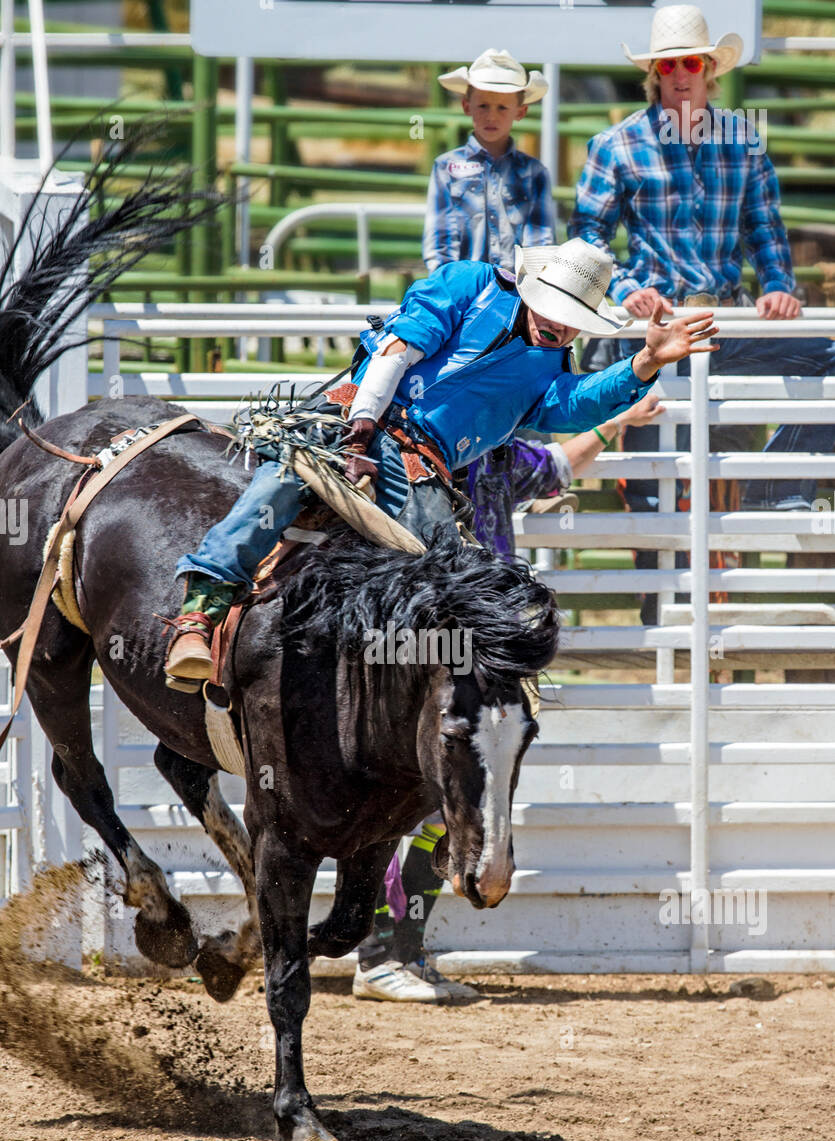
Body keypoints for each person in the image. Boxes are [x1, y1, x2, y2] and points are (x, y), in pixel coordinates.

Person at [164, 240, 713, 686]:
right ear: (532, 290)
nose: (563, 329)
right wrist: (361, 431)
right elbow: (399, 348)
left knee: (436, 561)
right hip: (359, 414)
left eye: (575, 322)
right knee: (282, 482)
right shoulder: (468, 284)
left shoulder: (550, 363)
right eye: (559, 312)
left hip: (425, 461)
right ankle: (199, 614)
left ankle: (413, 683)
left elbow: (567, 405)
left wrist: (642, 364)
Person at [353, 388, 666, 1003]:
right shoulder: (427, 450)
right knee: (427, 797)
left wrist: (618, 420)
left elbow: (558, 466)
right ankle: (382, 953)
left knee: (450, 801)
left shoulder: (498, 455)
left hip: (473, 649)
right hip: (430, 646)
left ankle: (398, 953)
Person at [569, 2, 835, 619]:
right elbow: (588, 239)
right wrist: (630, 286)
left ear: (709, 70)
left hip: (725, 325)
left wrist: (778, 286)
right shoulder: (616, 146)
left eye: (692, 62)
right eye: (670, 64)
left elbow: (766, 232)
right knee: (667, 467)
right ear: (656, 74)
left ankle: (778, 488)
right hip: (655, 330)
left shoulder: (743, 142)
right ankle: (664, 609)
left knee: (829, 361)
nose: (681, 74)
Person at [423, 48, 556, 274]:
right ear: (467, 107)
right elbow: (440, 241)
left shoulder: (534, 173)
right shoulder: (446, 168)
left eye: (502, 107)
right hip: (462, 292)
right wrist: (451, 285)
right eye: (483, 105)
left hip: (516, 293)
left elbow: (541, 243)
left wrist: (531, 284)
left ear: (520, 112)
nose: (491, 116)